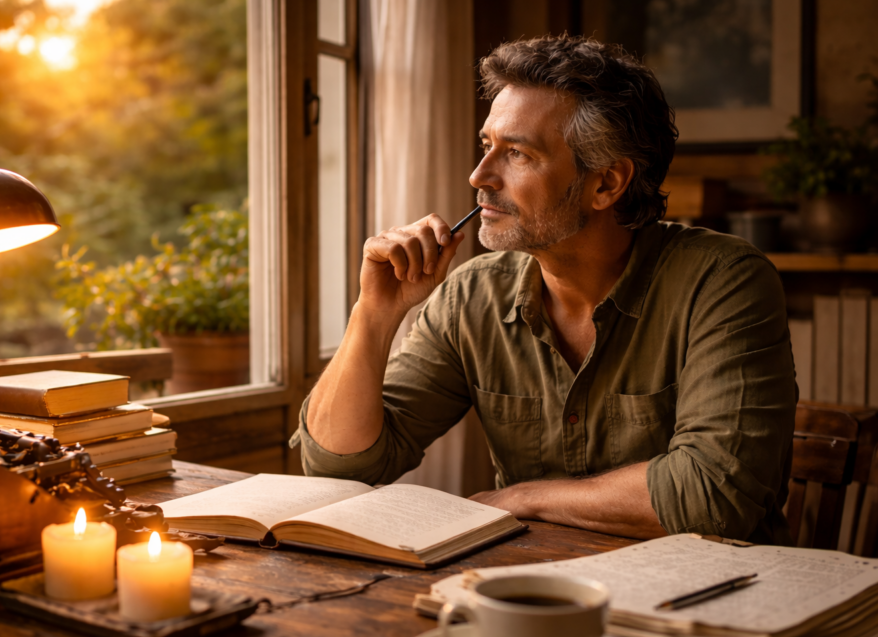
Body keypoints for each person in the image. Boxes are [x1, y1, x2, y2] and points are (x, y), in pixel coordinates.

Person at [293, 35, 796, 544]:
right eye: (487, 145)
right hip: (531, 593)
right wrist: (374, 312)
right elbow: (337, 465)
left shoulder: (725, 282)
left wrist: (521, 498)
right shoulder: (472, 296)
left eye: (517, 154)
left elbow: (712, 496)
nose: (479, 175)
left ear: (606, 184)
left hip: (709, 602)